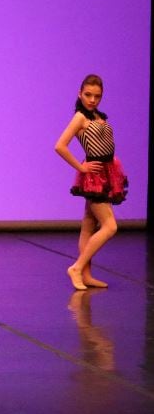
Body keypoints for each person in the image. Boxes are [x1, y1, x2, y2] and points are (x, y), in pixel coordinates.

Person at [54, 74, 127, 291]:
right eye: (88, 95)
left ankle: (86, 275)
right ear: (80, 93)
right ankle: (76, 268)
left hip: (107, 172)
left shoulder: (96, 115)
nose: (92, 100)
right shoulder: (80, 117)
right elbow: (60, 145)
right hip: (94, 175)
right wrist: (81, 167)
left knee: (88, 224)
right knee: (110, 226)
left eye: (97, 96)